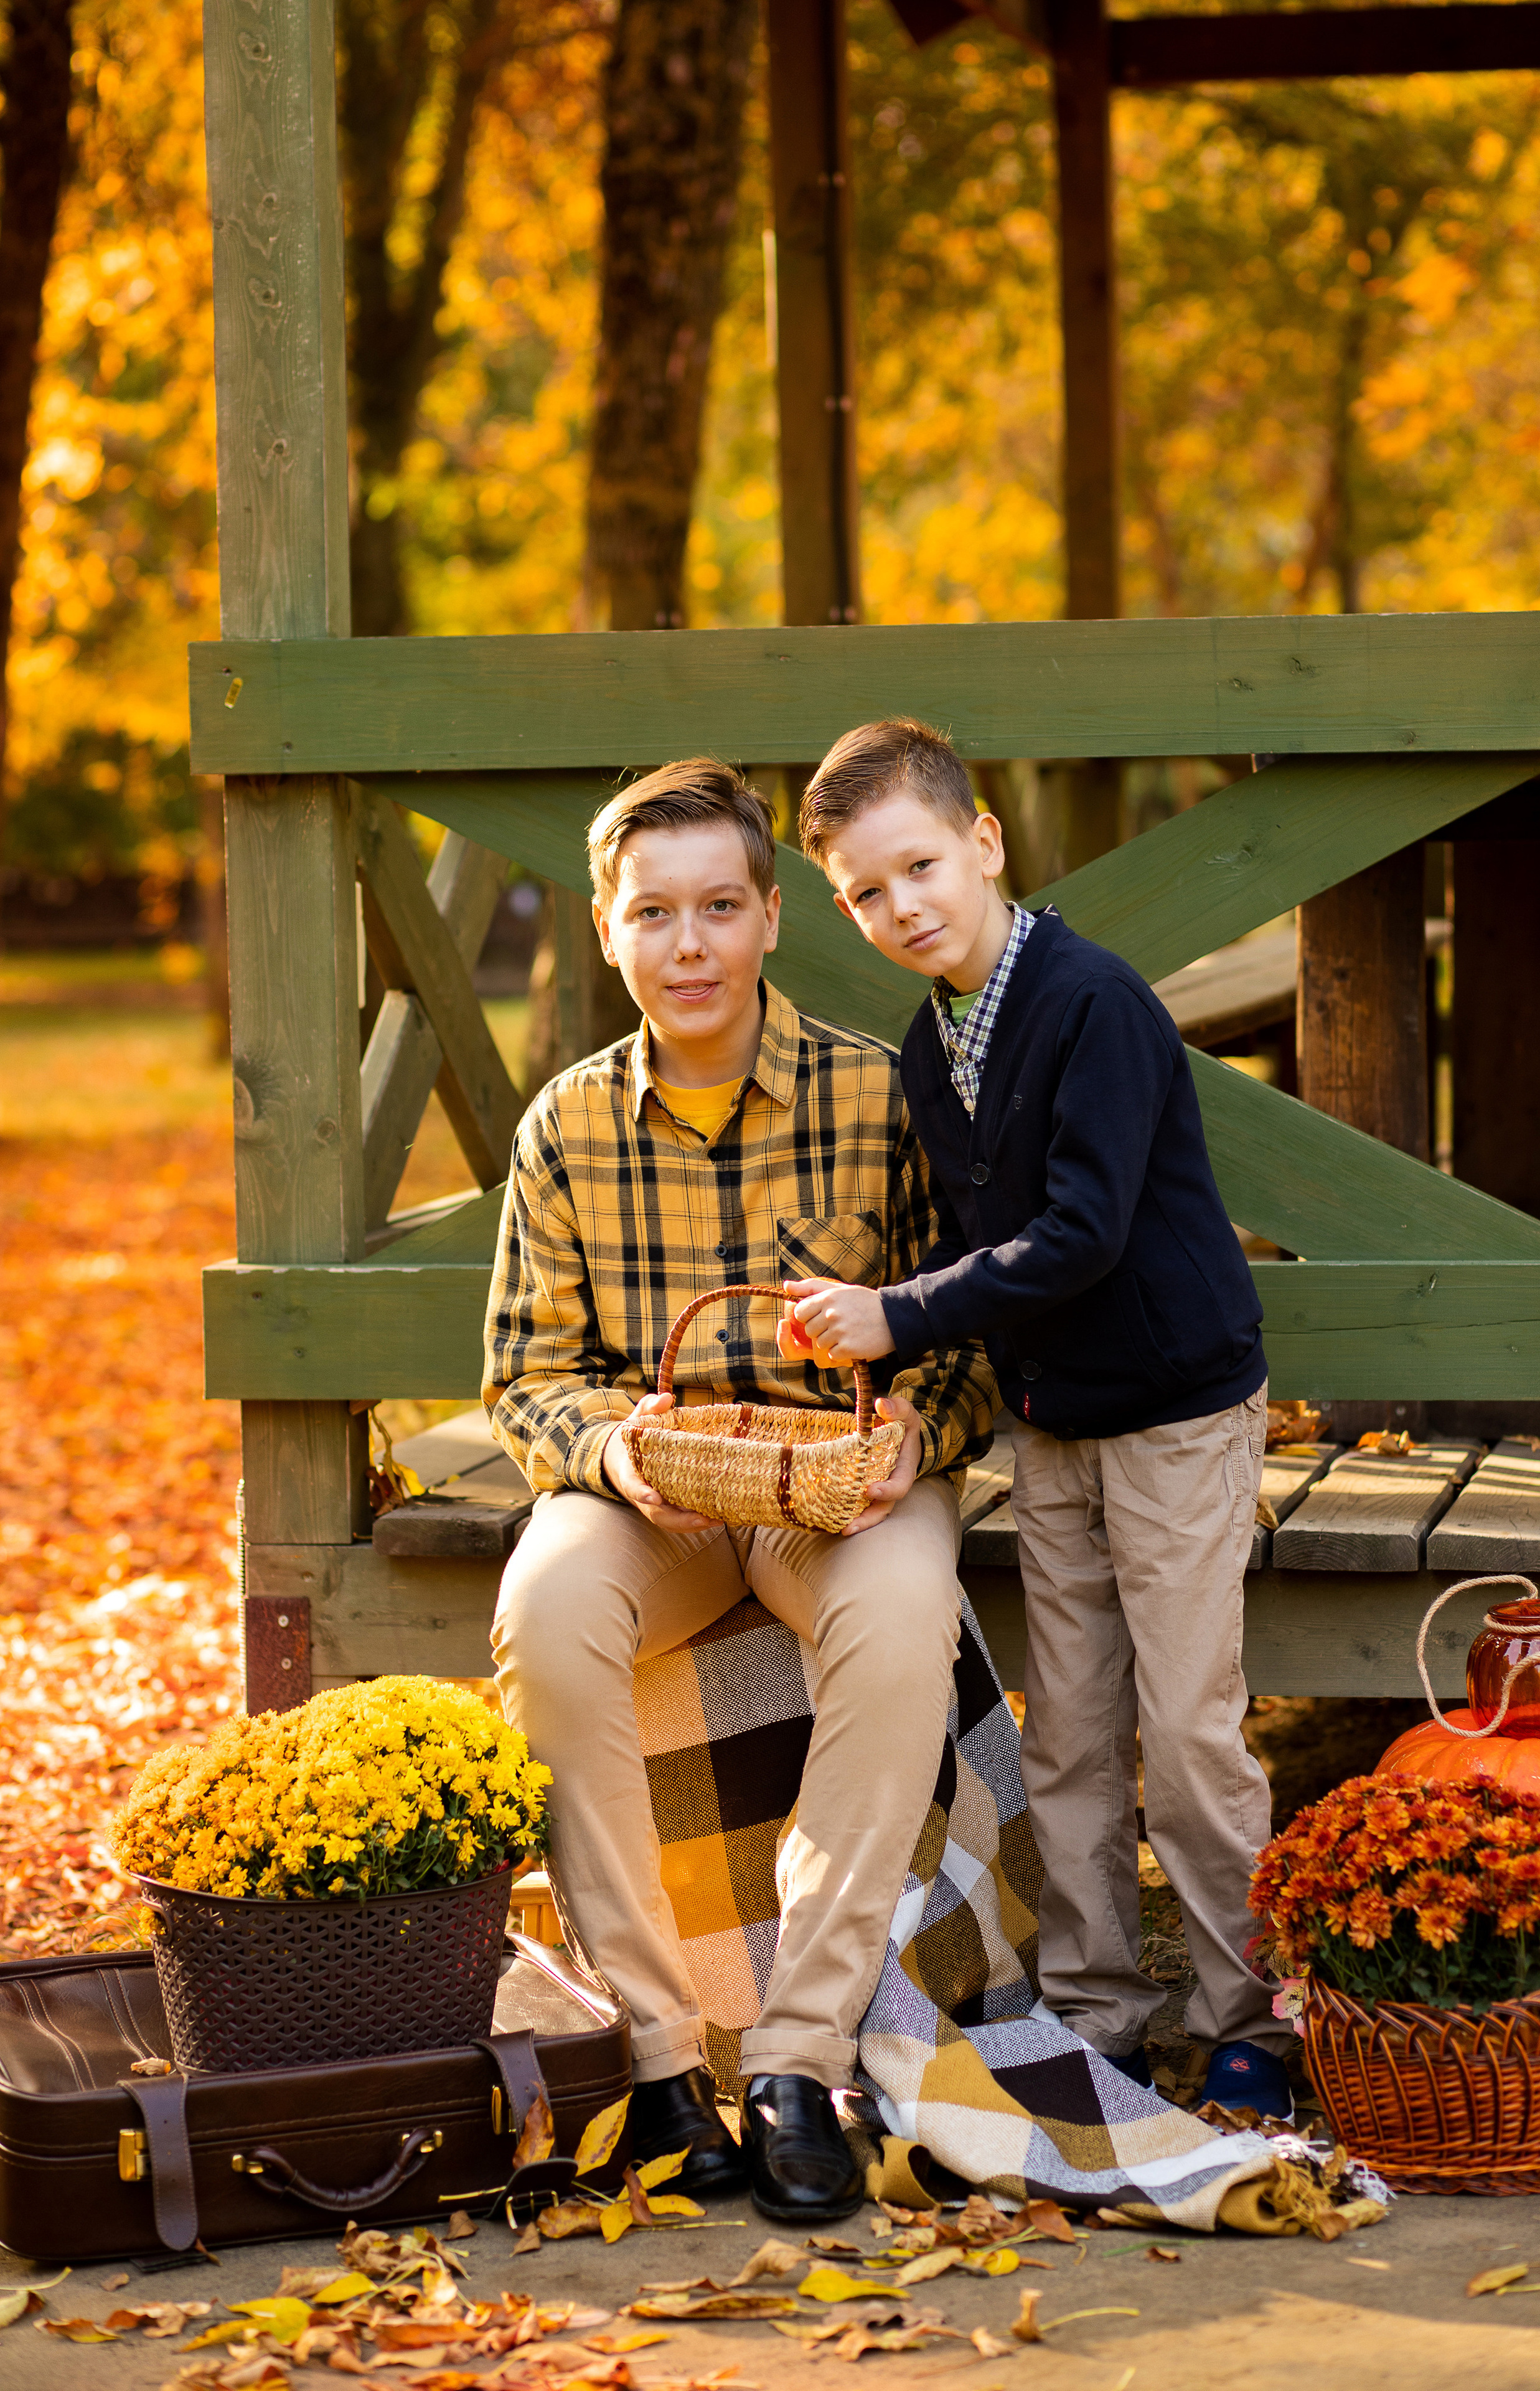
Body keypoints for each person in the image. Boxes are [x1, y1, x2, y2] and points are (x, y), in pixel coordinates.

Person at [484, 758, 997, 2222]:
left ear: (773, 916)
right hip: (655, 1499)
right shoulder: (565, 1126)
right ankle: (654, 2055)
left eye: (719, 907)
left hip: (839, 1489)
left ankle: (795, 2056)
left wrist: (915, 1440)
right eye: (653, 913)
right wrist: (617, 1451)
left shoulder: (875, 1093)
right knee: (545, 1610)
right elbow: (524, 1376)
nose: (689, 944)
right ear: (606, 931)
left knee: (899, 1614)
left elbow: (967, 1335)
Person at [789, 717, 1294, 2122]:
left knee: (1186, 1733)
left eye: (920, 866)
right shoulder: (931, 1039)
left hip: (1176, 1410)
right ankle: (1095, 2007)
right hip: (1053, 1424)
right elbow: (974, 1232)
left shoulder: (1093, 1004)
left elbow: (1082, 1232)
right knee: (1068, 1731)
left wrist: (900, 1313)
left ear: (984, 841)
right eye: (865, 892)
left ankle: (1247, 2014)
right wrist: (891, 1335)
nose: (902, 906)